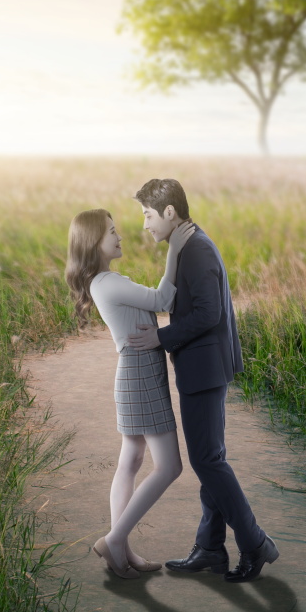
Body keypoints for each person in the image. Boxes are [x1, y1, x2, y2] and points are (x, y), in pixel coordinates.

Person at [124, 178, 279, 583]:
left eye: (148, 215)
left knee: (207, 460)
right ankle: (211, 547)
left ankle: (255, 542)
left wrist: (160, 337)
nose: (145, 225)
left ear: (170, 213)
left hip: (204, 370)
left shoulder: (197, 249)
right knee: (210, 458)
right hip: (204, 368)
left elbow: (209, 314)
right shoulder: (188, 246)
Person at [65, 207, 196, 579]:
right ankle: (114, 538)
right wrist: (174, 248)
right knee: (169, 466)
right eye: (111, 232)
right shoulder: (106, 283)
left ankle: (120, 550)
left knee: (131, 461)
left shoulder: (104, 281)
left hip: (135, 375)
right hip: (139, 376)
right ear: (93, 242)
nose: (119, 236)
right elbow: (162, 301)